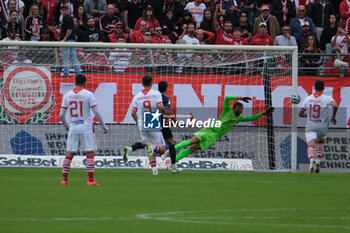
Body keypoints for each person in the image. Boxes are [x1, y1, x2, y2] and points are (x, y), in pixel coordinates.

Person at [175, 96, 274, 162]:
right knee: (193, 141)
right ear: (236, 108)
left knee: (192, 149)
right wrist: (240, 98)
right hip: (210, 129)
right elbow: (227, 98)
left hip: (213, 136)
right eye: (241, 108)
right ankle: (172, 149)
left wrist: (263, 113)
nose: (242, 111)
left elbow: (251, 118)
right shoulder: (227, 110)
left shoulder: (239, 118)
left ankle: (174, 160)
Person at [60, 74, 109, 186]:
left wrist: (67, 126)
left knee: (70, 153)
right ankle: (90, 180)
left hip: (73, 128)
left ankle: (64, 180)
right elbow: (96, 112)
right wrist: (104, 127)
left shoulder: (67, 95)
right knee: (89, 153)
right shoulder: (88, 94)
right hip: (86, 128)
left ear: (75, 82)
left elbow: (61, 115)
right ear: (85, 82)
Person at [126, 75, 167, 175]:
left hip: (142, 122)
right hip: (152, 119)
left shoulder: (138, 96)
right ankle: (154, 148)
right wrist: (164, 114)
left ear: (142, 83)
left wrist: (138, 123)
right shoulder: (156, 93)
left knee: (148, 145)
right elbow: (161, 107)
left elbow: (133, 113)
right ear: (152, 83)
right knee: (162, 150)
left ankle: (154, 170)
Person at [299, 80, 338, 174]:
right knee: (320, 141)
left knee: (310, 144)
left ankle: (312, 159)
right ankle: (318, 161)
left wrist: (308, 115)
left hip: (311, 125)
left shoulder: (308, 99)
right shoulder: (327, 98)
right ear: (323, 88)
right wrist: (333, 117)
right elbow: (335, 105)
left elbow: (300, 114)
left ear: (314, 88)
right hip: (322, 126)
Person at [60, 5, 81, 77]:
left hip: (67, 41)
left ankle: (66, 75)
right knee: (73, 58)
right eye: (63, 10)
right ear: (61, 11)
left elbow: (69, 30)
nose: (64, 11)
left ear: (68, 10)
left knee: (66, 59)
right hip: (72, 40)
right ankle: (78, 74)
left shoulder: (67, 18)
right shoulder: (68, 18)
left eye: (65, 9)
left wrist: (64, 39)